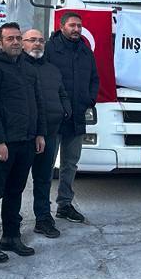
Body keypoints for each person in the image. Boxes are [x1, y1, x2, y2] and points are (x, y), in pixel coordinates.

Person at [0, 23, 47, 261]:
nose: (16, 42)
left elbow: (37, 102)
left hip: (26, 140)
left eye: (18, 38)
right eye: (10, 39)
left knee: (15, 190)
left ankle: (11, 236)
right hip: (4, 143)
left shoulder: (28, 68)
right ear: (0, 43)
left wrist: (40, 133)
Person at [45, 11, 99, 223]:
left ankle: (65, 205)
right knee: (46, 165)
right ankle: (42, 210)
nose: (76, 29)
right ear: (62, 27)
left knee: (70, 163)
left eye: (79, 26)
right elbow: (41, 80)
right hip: (54, 117)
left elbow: (94, 78)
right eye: (72, 25)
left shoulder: (85, 51)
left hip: (77, 116)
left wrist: (89, 100)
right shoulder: (50, 49)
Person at [22, 28, 71, 238]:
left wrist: (65, 110)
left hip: (50, 133)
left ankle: (43, 219)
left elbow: (62, 93)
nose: (37, 44)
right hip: (24, 136)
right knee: (15, 182)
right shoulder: (17, 67)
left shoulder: (52, 69)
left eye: (41, 40)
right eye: (32, 40)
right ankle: (11, 221)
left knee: (43, 180)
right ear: (22, 43)